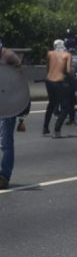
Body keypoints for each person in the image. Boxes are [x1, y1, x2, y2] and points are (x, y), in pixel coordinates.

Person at [0, 42, 23, 189]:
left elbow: (19, 79)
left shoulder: (9, 56)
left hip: (7, 105)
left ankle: (4, 176)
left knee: (5, 142)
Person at [44, 39, 72, 137]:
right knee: (65, 107)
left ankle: (45, 128)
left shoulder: (50, 53)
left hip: (49, 81)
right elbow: (68, 71)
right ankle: (57, 130)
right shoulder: (67, 55)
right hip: (59, 82)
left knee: (51, 104)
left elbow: (48, 68)